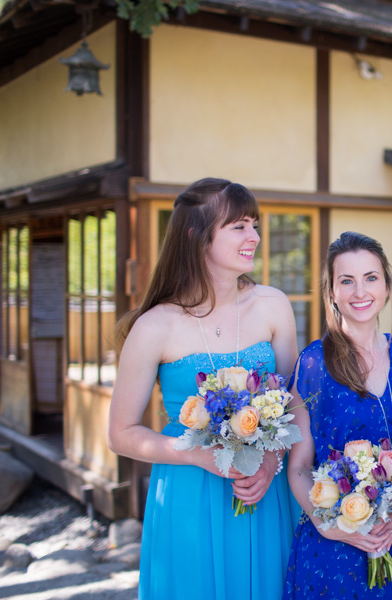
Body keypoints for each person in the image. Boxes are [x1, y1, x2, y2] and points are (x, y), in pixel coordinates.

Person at [108, 178, 303, 600]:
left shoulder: (272, 305)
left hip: (262, 490)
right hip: (188, 492)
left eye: (254, 224)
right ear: (197, 235)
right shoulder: (154, 326)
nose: (254, 236)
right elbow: (121, 433)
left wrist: (270, 461)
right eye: (239, 226)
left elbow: (294, 399)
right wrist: (196, 454)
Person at [283, 232, 392, 599]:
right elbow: (300, 466)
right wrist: (330, 526)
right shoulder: (313, 363)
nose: (359, 291)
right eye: (346, 281)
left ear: (386, 286)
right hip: (331, 549)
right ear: (332, 291)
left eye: (370, 278)